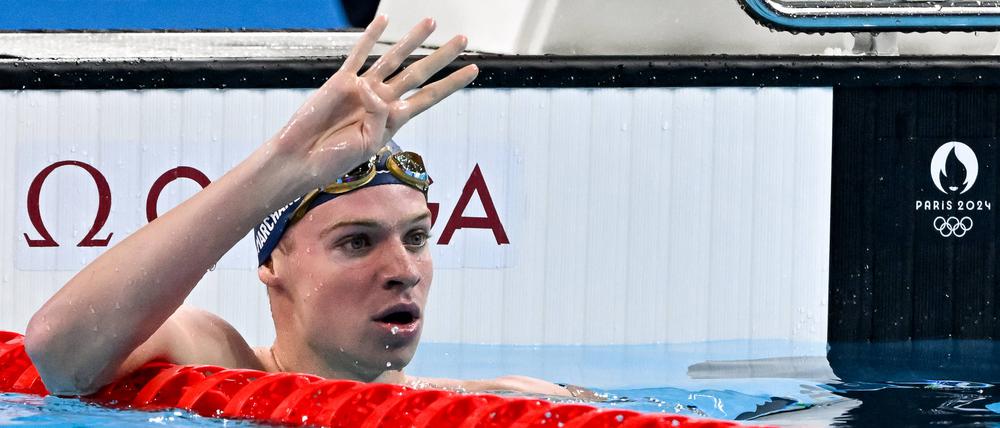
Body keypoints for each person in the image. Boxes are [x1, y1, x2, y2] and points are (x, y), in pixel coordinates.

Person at [23, 16, 575, 398]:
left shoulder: (499, 403)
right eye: (356, 242)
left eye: (415, 238)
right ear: (272, 262)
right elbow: (60, 355)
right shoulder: (215, 360)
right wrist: (282, 164)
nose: (404, 271)